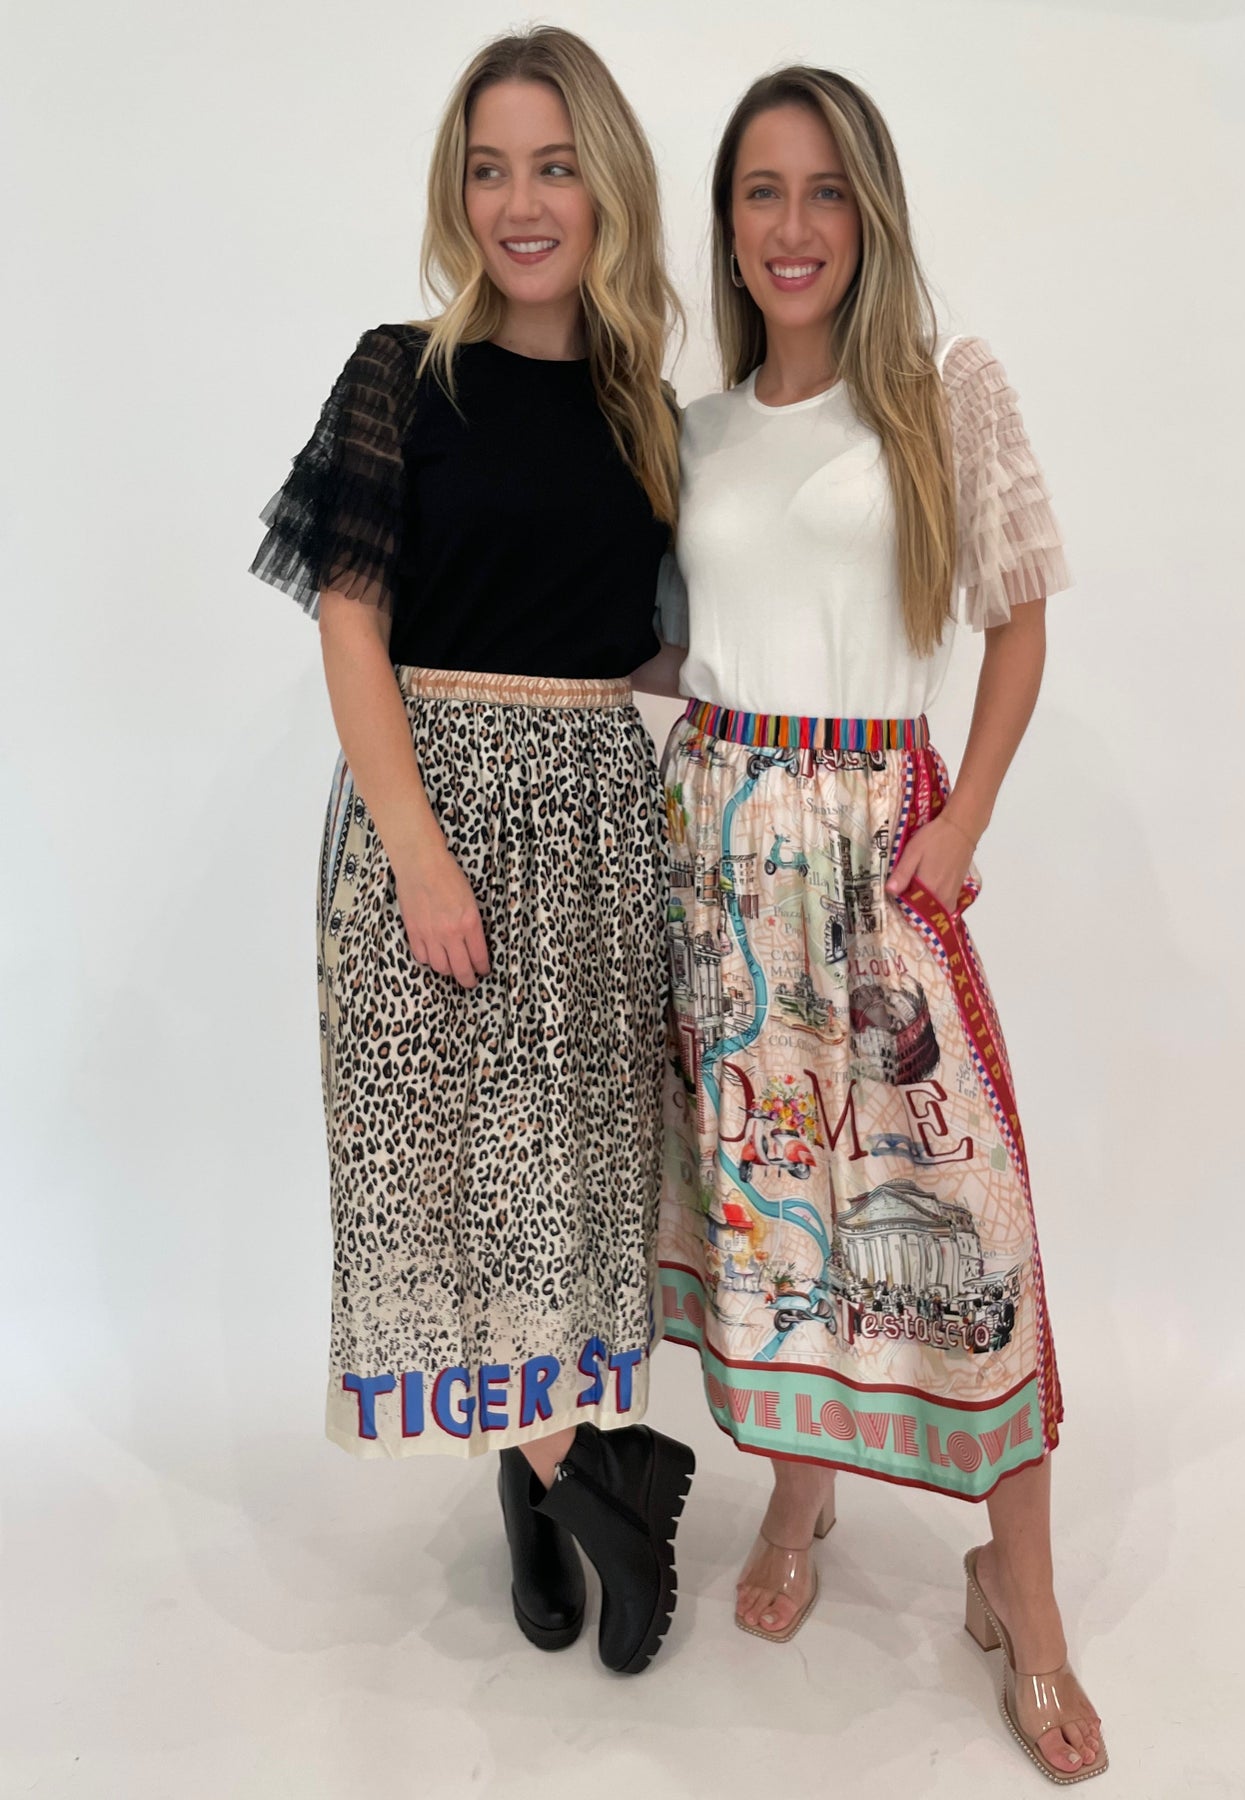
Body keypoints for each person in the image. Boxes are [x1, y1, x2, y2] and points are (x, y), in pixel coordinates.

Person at [654, 67, 1106, 1776]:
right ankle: (801, 1499)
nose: (792, 227)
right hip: (718, 853)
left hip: (875, 845)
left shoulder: (936, 392)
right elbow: (668, 642)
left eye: (825, 191)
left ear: (870, 213)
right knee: (777, 1213)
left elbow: (1016, 621)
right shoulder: (693, 434)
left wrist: (961, 818)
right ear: (727, 226)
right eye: (760, 193)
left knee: (966, 1228)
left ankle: (1024, 1598)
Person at [249, 26, 694, 1677]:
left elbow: (656, 642)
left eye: (554, 166)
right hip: (423, 810)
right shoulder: (399, 372)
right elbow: (349, 621)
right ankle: (594, 1482)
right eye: (490, 168)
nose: (521, 202)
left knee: (565, 1178)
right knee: (449, 1179)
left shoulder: (648, 407)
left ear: (606, 185)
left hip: (596, 822)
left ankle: (538, 1483)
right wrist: (424, 859)